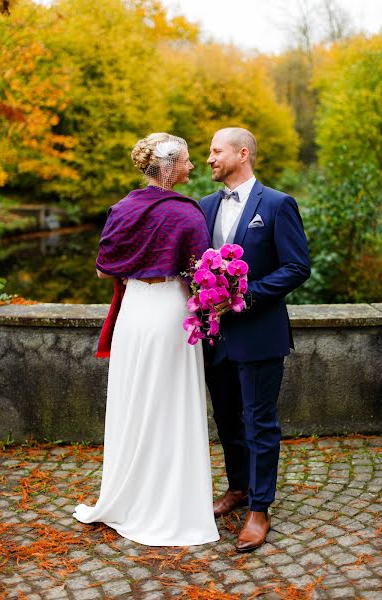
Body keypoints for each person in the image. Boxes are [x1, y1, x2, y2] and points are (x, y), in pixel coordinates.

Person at [73, 133, 219, 547]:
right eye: (188, 162)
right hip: (170, 314)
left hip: (133, 314)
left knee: (134, 402)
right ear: (170, 167)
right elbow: (199, 276)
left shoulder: (121, 208)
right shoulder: (187, 214)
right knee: (171, 405)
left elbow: (104, 269)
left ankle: (129, 496)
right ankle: (171, 505)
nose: (192, 167)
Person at [200, 127, 311, 553]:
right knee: (227, 420)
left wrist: (244, 296)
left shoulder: (279, 204)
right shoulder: (205, 205)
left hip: (260, 333)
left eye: (216, 151)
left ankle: (260, 508)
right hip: (216, 338)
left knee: (259, 422)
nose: (209, 159)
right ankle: (238, 488)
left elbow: (297, 267)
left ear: (242, 153)